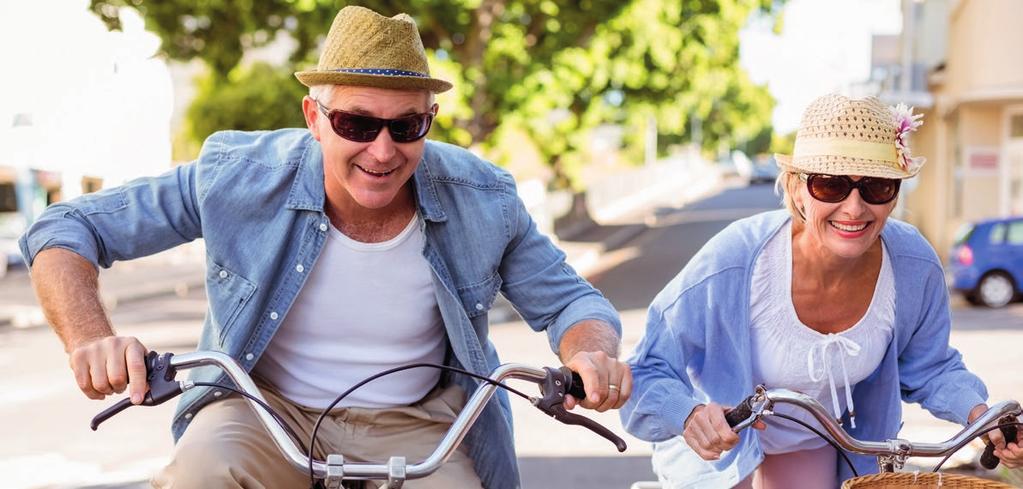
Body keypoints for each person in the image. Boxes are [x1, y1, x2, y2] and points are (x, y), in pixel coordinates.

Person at [19, 6, 631, 489]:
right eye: (357, 125)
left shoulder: (483, 196)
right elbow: (66, 228)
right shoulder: (236, 175)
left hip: (419, 424)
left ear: (431, 119)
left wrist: (591, 357)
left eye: (406, 126)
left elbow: (571, 304)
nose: (383, 151)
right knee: (199, 473)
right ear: (315, 116)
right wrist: (90, 338)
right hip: (265, 413)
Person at [619, 93, 1023, 488]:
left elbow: (931, 365)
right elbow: (648, 368)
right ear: (796, 188)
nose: (854, 207)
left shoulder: (914, 263)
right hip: (714, 442)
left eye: (877, 186)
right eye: (831, 185)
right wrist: (688, 415)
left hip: (812, 442)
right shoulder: (736, 260)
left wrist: (982, 416)